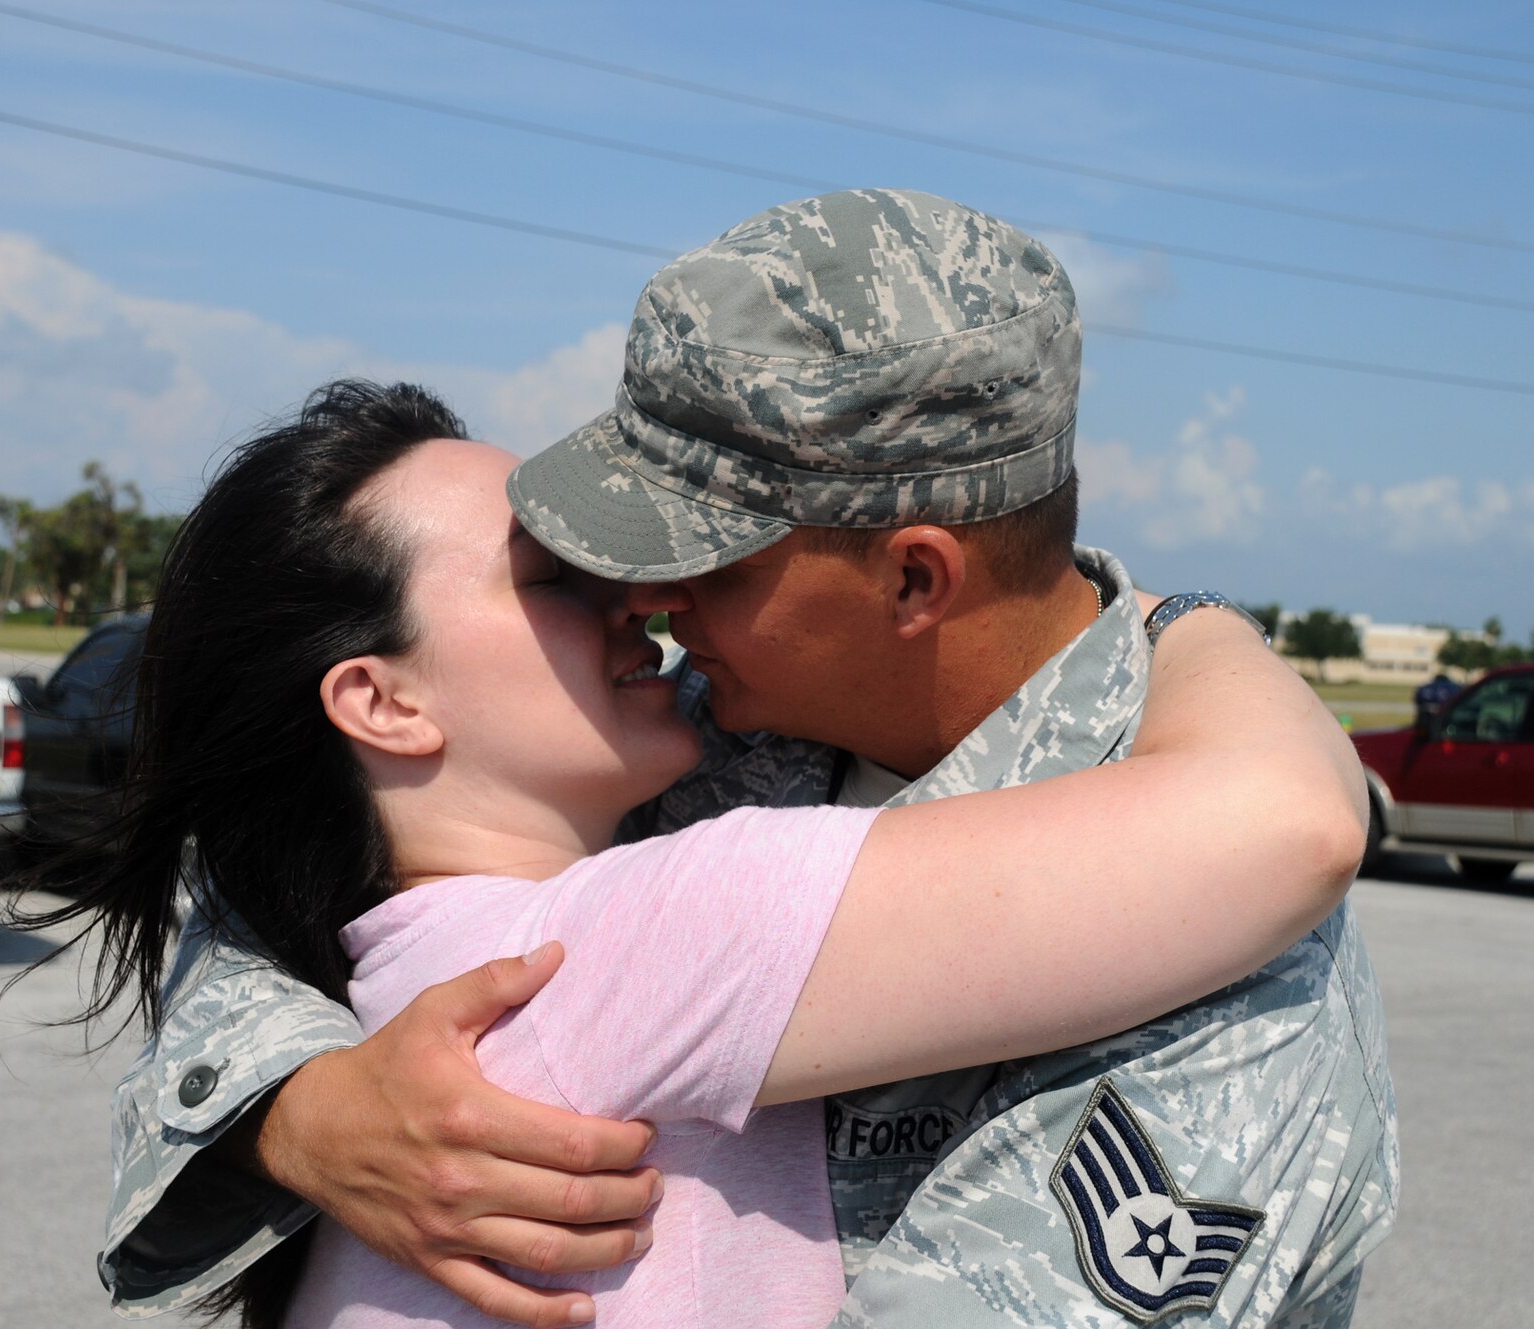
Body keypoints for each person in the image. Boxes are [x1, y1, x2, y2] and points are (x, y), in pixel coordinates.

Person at [95, 190, 1397, 1328]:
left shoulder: (1243, 976)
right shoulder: (709, 731)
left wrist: (1190, 630)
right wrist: (303, 1102)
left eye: (705, 551)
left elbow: (1291, 826)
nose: (648, 596)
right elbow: (274, 850)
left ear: (911, 576)